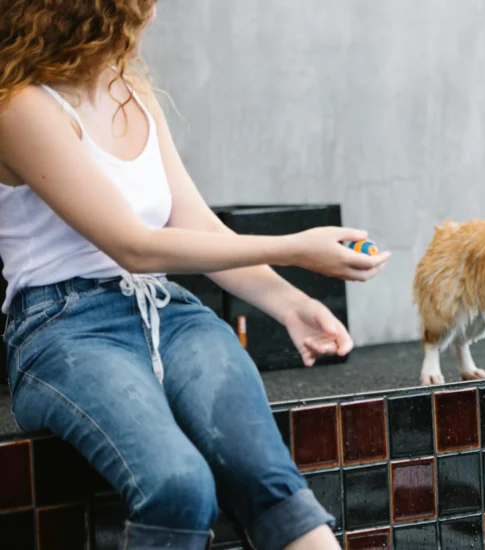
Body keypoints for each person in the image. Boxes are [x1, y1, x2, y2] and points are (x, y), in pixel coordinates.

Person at [0, 2, 390, 549]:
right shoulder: (18, 106)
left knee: (268, 479)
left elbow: (197, 225)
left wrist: (288, 301)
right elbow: (133, 245)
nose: (153, 14)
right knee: (178, 485)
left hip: (168, 313)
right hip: (65, 330)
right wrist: (297, 248)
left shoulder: (132, 94)